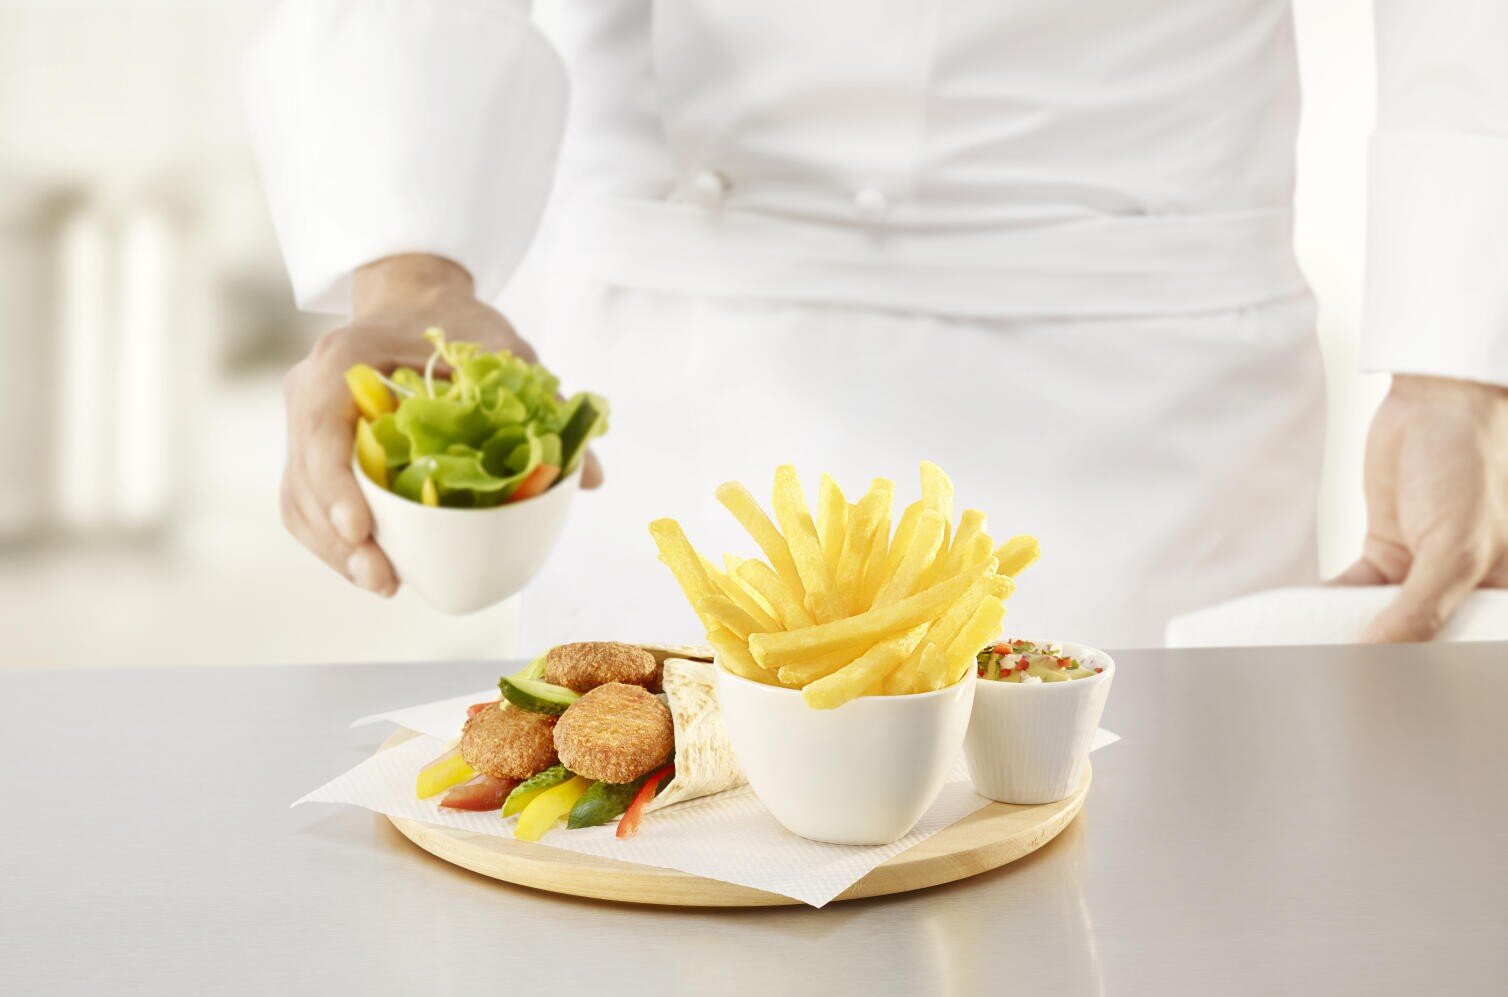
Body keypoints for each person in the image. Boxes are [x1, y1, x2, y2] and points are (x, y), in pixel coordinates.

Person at [246, 0, 1508, 649]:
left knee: (1138, 947)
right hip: (673, 382)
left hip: (1141, 379)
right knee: (655, 942)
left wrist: (1462, 363)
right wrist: (407, 276)